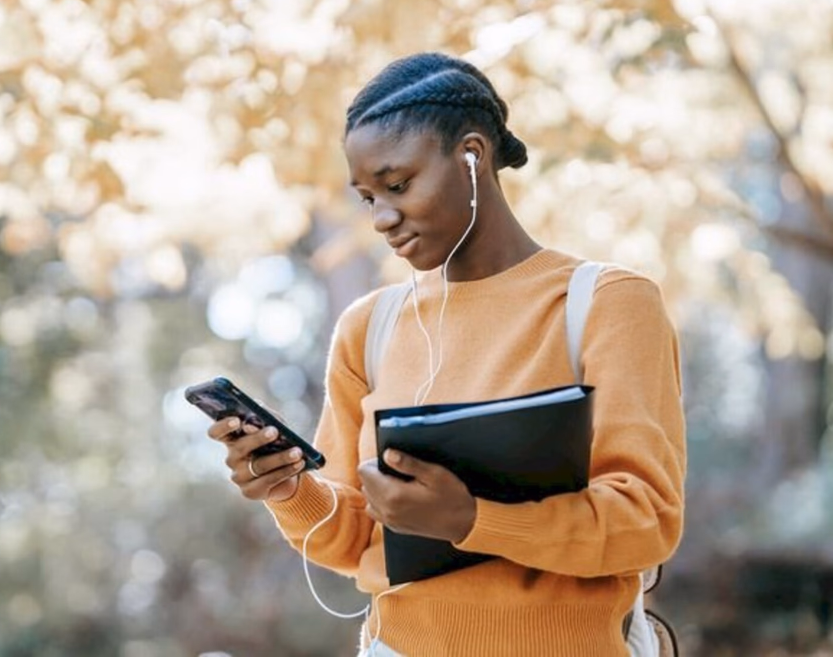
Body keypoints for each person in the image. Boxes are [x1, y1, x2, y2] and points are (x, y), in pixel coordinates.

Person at [206, 52, 686, 656]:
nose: (382, 217)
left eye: (398, 184)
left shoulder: (605, 303)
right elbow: (351, 538)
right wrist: (286, 489)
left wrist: (469, 519)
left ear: (472, 156)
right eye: (367, 198)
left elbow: (646, 521)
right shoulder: (369, 327)